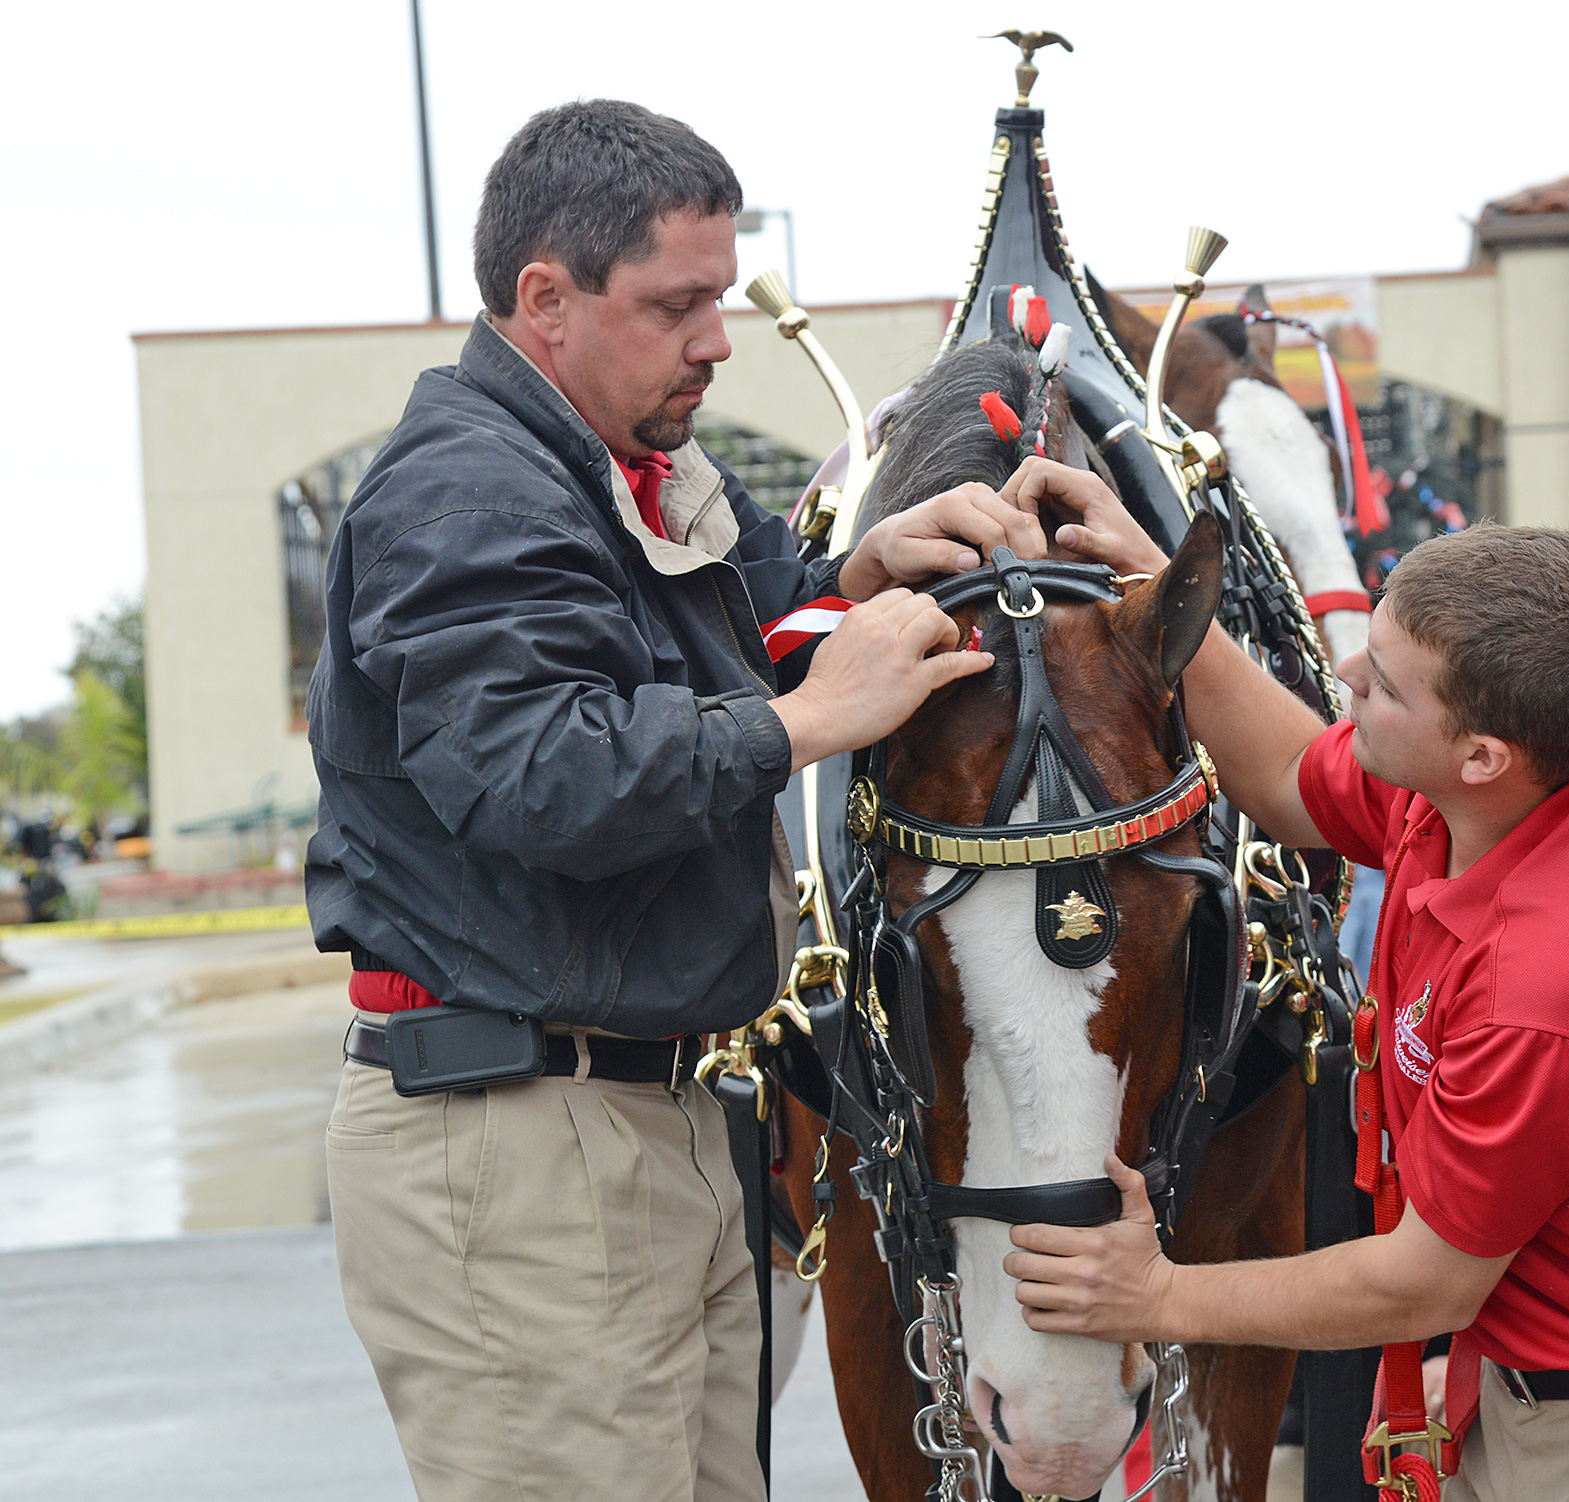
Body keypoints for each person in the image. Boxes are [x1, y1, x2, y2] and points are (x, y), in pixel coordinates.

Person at [306, 100, 1042, 1502]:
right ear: (546, 299)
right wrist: (817, 715)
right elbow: (540, 773)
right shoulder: (469, 490)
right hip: (524, 1140)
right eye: (678, 303)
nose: (718, 336)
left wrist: (871, 570)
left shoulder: (623, 465)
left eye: (722, 296)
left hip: (635, 1116)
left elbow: (758, 617)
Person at [1001, 491, 1569, 1502]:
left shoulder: (1546, 985)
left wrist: (1157, 1292)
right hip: (1566, 1396)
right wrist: (1159, 587)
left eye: (1387, 683)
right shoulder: (1490, 789)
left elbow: (1426, 1279)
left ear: (1483, 753)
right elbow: (1281, 769)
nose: (1348, 676)